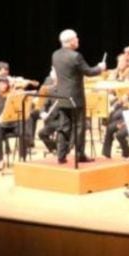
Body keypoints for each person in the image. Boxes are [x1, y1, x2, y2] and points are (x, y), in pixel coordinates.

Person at [50, 29, 106, 164]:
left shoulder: (55, 54)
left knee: (64, 126)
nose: (78, 40)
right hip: (75, 97)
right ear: (70, 41)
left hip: (61, 96)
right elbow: (89, 72)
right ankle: (79, 154)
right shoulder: (76, 56)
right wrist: (100, 67)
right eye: (76, 38)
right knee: (80, 126)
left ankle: (61, 155)